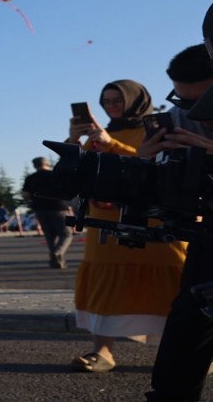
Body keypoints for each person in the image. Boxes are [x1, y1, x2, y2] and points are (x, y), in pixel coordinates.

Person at [66, 80, 184, 374]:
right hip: (103, 219)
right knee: (106, 284)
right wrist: (72, 142)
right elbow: (71, 176)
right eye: (106, 101)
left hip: (153, 217)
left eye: (118, 100)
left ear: (135, 100)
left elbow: (158, 165)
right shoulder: (97, 134)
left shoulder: (155, 129)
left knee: (174, 282)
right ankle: (102, 351)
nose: (111, 106)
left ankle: (185, 353)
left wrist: (110, 144)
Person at [147, 22, 213, 400]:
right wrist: (146, 162)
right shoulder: (180, 119)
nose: (194, 113)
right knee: (189, 316)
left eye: (202, 102)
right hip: (208, 235)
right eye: (182, 101)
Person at [22, 157, 73, 269]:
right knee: (66, 234)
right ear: (47, 163)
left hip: (40, 208)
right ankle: (58, 252)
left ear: (35, 165)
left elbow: (25, 194)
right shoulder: (55, 175)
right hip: (58, 207)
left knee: (50, 235)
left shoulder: (30, 178)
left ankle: (56, 261)